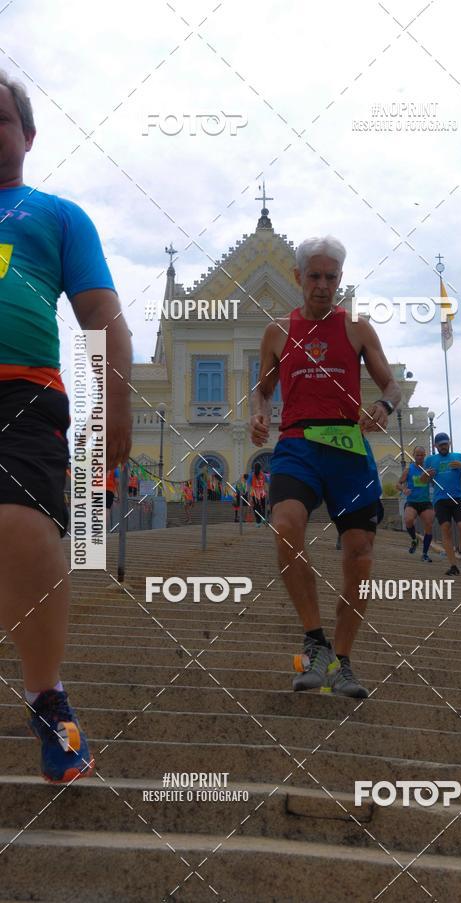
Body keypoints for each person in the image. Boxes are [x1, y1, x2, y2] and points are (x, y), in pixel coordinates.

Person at [0, 71, 132, 782]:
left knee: (22, 524)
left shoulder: (55, 215)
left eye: (1, 119)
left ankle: (46, 695)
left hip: (23, 395)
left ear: (27, 135)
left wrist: (117, 400)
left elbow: (102, 318)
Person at [250, 235, 401, 698]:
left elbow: (391, 384)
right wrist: (258, 413)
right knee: (285, 524)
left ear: (340, 278)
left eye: (331, 277)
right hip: (297, 443)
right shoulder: (277, 331)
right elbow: (263, 390)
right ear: (298, 277)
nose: (322, 286)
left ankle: (343, 661)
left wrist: (383, 405)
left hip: (348, 447)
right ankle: (313, 641)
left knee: (359, 555)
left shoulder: (356, 328)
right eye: (313, 276)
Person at [424, 433, 461, 576]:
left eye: (445, 444)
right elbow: (423, 480)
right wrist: (426, 475)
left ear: (449, 443)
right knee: (446, 529)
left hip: (457, 498)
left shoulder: (459, 457)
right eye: (440, 445)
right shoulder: (430, 460)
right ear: (435, 446)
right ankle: (453, 566)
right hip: (440, 500)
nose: (443, 446)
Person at [397, 446, 434, 562]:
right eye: (417, 454)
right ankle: (414, 539)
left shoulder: (428, 469)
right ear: (414, 455)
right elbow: (398, 484)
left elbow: (436, 481)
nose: (419, 457)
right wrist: (404, 490)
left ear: (424, 455)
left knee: (429, 524)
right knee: (408, 520)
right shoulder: (408, 470)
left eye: (422, 455)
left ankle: (425, 553)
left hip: (425, 502)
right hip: (412, 502)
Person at [249, 461, 267, 526]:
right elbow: (267, 484)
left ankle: (258, 521)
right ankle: (264, 518)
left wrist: (249, 496)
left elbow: (248, 485)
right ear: (260, 468)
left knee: (256, 508)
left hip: (254, 494)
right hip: (262, 493)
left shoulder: (251, 475)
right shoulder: (264, 475)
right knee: (263, 506)